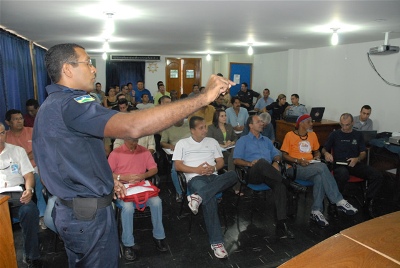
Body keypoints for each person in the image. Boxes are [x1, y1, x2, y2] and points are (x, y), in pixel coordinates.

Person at [32, 43, 232, 267]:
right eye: (88, 63)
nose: (94, 69)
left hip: (76, 209)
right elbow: (133, 127)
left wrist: (107, 180)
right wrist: (203, 98)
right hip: (86, 216)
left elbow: (71, 158)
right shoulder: (72, 104)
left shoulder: (51, 105)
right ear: (67, 69)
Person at [172, 116, 237, 258]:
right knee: (211, 198)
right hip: (195, 178)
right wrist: (197, 170)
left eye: (205, 127)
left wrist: (212, 167)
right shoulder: (182, 144)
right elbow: (178, 166)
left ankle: (198, 196)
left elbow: (220, 162)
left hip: (213, 176)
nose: (205, 130)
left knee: (233, 175)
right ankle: (217, 243)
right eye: (201, 128)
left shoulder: (212, 142)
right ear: (192, 130)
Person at [233, 115, 306, 239]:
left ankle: (282, 225)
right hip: (252, 173)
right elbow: (236, 160)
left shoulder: (266, 140)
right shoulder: (243, 140)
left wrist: (276, 162)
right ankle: (289, 183)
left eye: (262, 122)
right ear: (250, 125)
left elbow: (277, 154)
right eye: (258, 122)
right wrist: (249, 163)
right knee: (261, 162)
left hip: (269, 173)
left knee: (280, 187)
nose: (262, 123)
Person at [281, 114, 358, 227]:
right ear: (301, 123)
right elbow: (284, 155)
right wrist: (298, 161)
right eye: (309, 122)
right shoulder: (290, 135)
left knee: (319, 177)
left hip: (311, 167)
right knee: (322, 167)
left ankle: (316, 211)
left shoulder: (312, 135)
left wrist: (316, 156)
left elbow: (316, 151)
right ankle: (338, 200)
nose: (312, 124)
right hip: (294, 168)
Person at [108, 138, 167, 261]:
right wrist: (123, 177)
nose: (134, 144)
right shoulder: (116, 153)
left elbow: (154, 169)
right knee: (128, 208)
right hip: (123, 187)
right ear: (124, 139)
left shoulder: (144, 151)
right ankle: (128, 244)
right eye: (130, 141)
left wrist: (143, 176)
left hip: (140, 187)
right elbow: (107, 172)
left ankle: (159, 236)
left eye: (135, 141)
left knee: (157, 202)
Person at [322, 113, 383, 217]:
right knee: (343, 173)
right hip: (339, 164)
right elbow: (324, 149)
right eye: (342, 125)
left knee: (377, 175)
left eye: (347, 125)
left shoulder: (358, 135)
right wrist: (326, 153)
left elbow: (363, 153)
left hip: (354, 164)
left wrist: (357, 158)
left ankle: (368, 202)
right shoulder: (335, 134)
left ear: (353, 123)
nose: (344, 127)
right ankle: (334, 202)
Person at [0, 122, 42, 267]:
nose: (0, 137)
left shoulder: (17, 151)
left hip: (17, 194)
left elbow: (29, 175)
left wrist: (29, 190)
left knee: (29, 210)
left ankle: (31, 255)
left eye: (2, 133)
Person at [5, 109, 47, 228]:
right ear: (8, 122)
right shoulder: (5, 136)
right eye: (15, 119)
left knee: (38, 180)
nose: (19, 121)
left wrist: (22, 158)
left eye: (21, 118)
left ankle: (42, 215)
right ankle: (12, 217)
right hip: (14, 169)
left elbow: (38, 150)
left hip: (34, 166)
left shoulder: (32, 132)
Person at [160, 119, 191, 202]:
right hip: (177, 153)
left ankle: (190, 192)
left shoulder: (188, 124)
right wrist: (170, 146)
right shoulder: (168, 127)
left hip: (190, 152)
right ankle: (179, 192)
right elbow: (162, 143)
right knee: (175, 170)